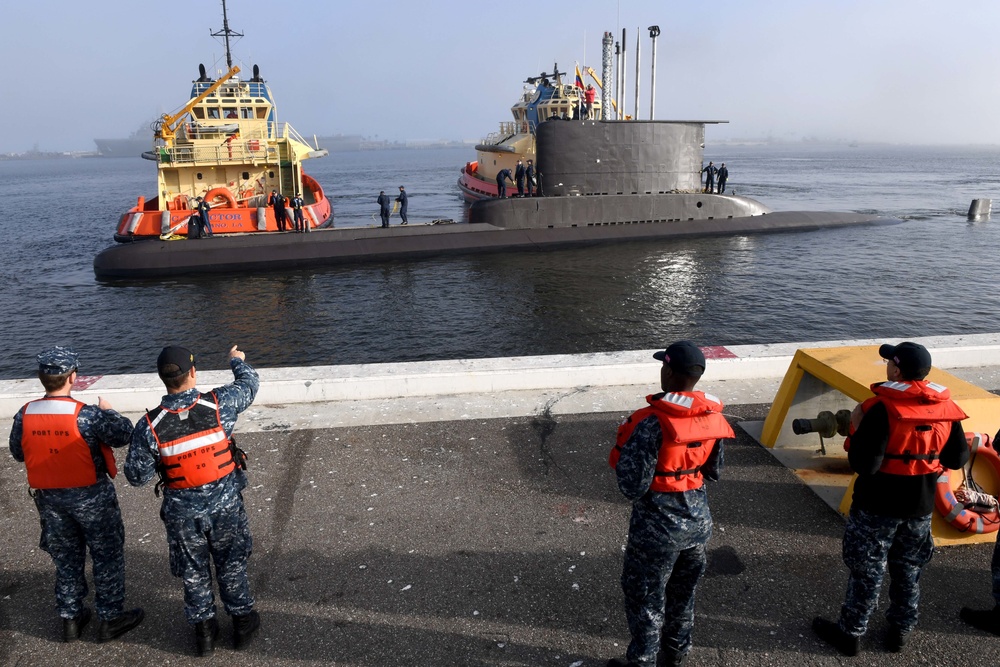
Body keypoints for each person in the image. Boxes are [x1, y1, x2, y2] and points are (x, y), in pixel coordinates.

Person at [812, 342, 969, 656]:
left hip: (877, 506)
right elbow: (957, 458)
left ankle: (851, 632)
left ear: (896, 370)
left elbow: (864, 465)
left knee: (868, 570)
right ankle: (899, 631)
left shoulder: (880, 408)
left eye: (889, 363)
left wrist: (856, 427)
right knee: (909, 569)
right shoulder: (946, 408)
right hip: (920, 507)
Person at [125, 345, 261, 657]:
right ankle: (242, 623)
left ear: (162, 379)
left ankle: (204, 633)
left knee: (193, 571)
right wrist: (237, 362)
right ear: (193, 372)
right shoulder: (218, 404)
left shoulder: (149, 427)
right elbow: (249, 386)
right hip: (225, 506)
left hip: (182, 514)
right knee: (231, 564)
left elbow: (136, 477)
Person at [607, 341, 734, 667]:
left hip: (657, 532)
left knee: (647, 600)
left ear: (668, 371)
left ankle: (642, 662)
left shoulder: (650, 422)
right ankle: (676, 654)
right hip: (698, 524)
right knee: (682, 594)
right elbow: (714, 470)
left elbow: (632, 487)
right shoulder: (711, 416)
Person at [9, 346, 144, 643]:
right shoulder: (88, 415)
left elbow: (19, 453)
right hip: (92, 499)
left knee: (67, 558)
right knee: (106, 556)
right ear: (73, 377)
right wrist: (110, 410)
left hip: (50, 500)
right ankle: (110, 618)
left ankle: (70, 618)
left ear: (42, 378)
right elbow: (123, 434)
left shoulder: (24, 414)